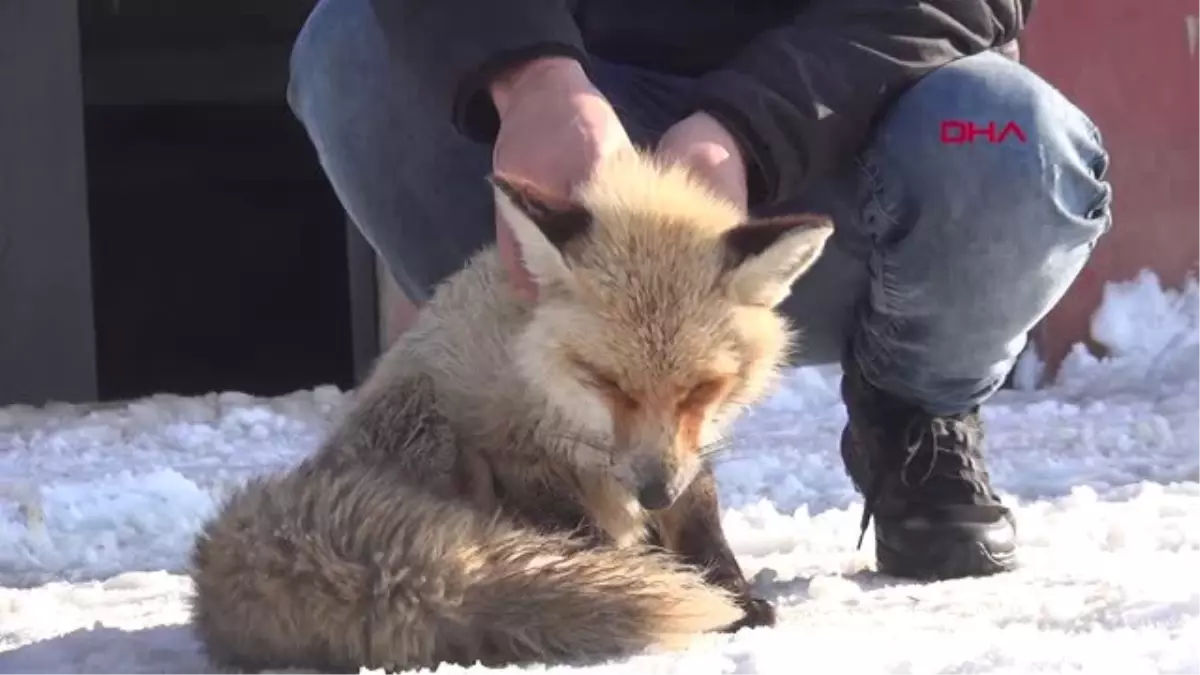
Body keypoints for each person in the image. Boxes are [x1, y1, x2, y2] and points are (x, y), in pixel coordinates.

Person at [285, 0, 1113, 581]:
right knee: (347, 46)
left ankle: (912, 416)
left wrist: (745, 128)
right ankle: (531, 423)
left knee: (1010, 135)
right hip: (577, 133)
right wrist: (526, 73)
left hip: (848, 131)